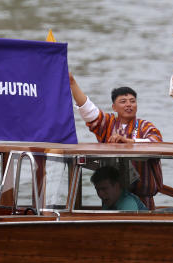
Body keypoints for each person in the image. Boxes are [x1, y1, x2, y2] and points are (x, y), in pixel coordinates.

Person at [69, 72, 162, 208]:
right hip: (110, 196)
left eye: (132, 101)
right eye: (123, 102)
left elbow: (157, 143)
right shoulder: (108, 123)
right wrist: (72, 83)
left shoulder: (145, 126)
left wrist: (129, 142)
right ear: (114, 107)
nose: (129, 105)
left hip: (143, 198)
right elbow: (88, 110)